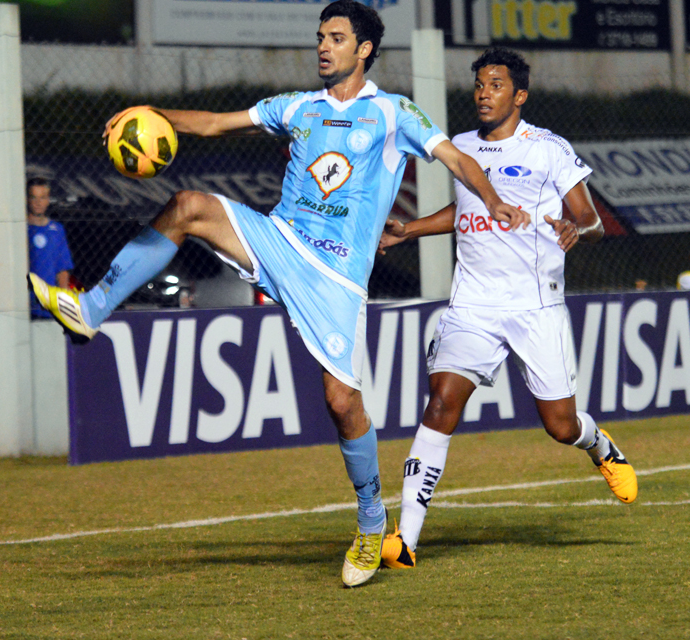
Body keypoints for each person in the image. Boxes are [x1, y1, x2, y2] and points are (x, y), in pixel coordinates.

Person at [28, 2, 528, 587]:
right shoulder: (298, 107)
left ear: (363, 49)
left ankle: (371, 521)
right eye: (320, 37)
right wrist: (153, 112)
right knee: (188, 206)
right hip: (278, 240)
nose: (323, 47)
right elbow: (214, 124)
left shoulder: (393, 114)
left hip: (335, 278)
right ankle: (90, 309)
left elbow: (457, 158)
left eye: (337, 38)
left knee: (342, 404)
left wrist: (491, 199)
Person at [378, 48, 638, 570]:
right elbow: (464, 210)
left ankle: (598, 444)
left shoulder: (548, 149)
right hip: (473, 303)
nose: (482, 93)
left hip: (535, 305)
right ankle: (404, 539)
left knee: (560, 426)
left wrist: (575, 227)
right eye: (478, 84)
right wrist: (410, 229)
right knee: (441, 402)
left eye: (495, 84)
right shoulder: (464, 149)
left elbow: (590, 217)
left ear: (519, 95)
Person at [26, 177, 74, 319]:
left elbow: (62, 269)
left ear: (48, 200)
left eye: (43, 197)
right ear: (27, 199)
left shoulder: (57, 230)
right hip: (25, 305)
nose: (38, 202)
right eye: (33, 197)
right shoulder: (20, 228)